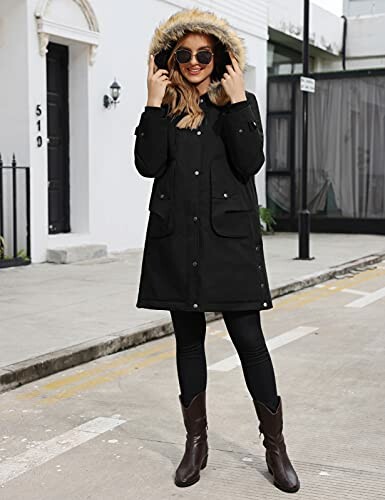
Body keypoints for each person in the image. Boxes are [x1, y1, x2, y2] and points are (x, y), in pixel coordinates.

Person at [133, 7, 300, 493]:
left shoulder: (236, 104)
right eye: (183, 54)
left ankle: (275, 447)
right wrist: (150, 100)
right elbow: (147, 165)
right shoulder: (163, 107)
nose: (193, 61)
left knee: (250, 342)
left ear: (220, 57)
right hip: (177, 241)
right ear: (171, 58)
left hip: (229, 245)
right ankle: (196, 443)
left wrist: (238, 99)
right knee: (188, 342)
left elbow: (250, 162)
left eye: (204, 54)